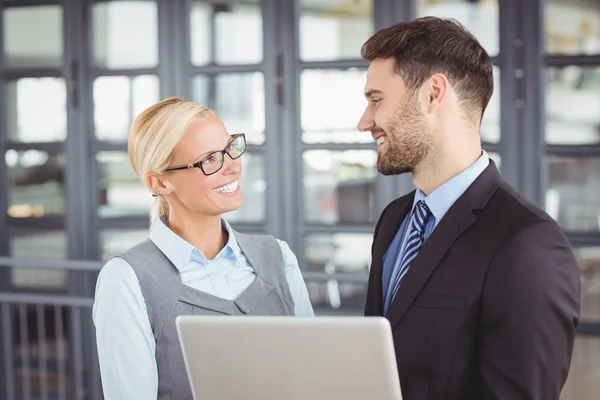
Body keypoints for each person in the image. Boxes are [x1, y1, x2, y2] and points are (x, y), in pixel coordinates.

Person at [358, 17, 581, 400]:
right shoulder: (394, 220)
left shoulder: (528, 245)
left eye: (376, 100)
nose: (364, 123)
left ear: (433, 94)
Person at [92, 97, 314, 399]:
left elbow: (314, 378)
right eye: (210, 159)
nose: (233, 167)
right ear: (159, 183)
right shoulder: (127, 279)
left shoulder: (278, 257)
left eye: (230, 148)